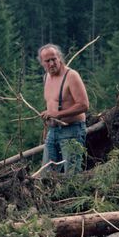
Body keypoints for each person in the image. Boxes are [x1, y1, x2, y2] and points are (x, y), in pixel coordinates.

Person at [38, 44, 89, 174]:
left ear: (59, 58)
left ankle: (73, 195)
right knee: (46, 175)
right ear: (42, 63)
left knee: (71, 175)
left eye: (53, 59)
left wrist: (58, 114)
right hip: (53, 131)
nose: (51, 63)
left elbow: (84, 105)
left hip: (72, 131)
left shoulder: (71, 76)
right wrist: (48, 115)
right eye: (47, 61)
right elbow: (51, 104)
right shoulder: (46, 77)